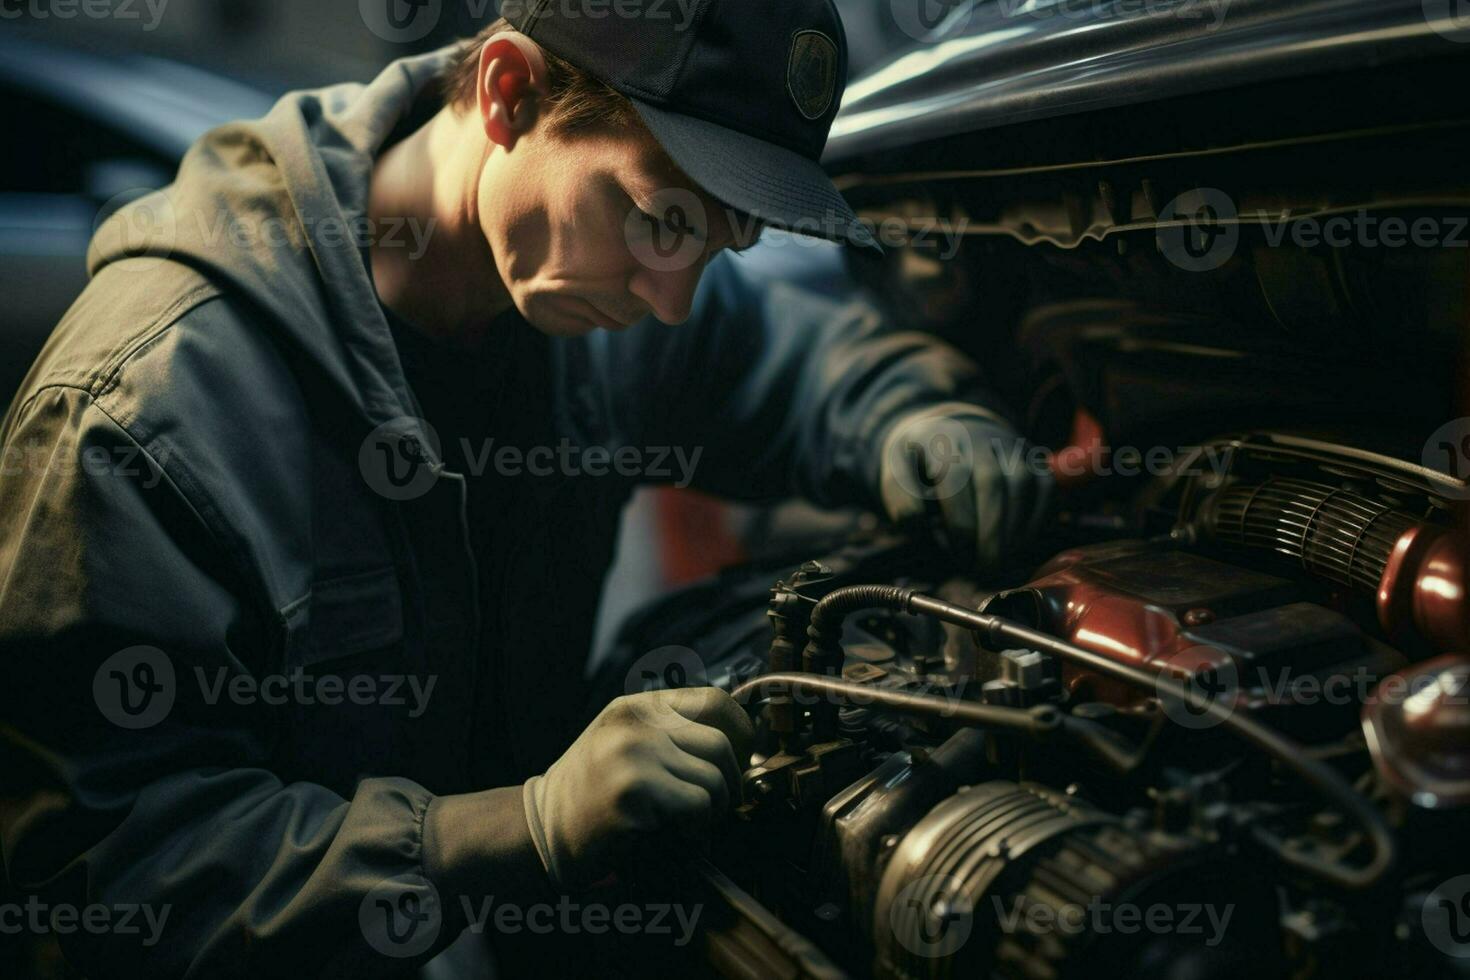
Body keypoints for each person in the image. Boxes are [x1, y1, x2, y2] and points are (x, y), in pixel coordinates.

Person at [0, 2, 1050, 975]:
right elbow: (99, 879)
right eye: (660, 219)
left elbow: (796, 366)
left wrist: (920, 417)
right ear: (509, 93)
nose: (674, 301)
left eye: (725, 236)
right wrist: (522, 825)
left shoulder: (590, 288)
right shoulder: (144, 411)